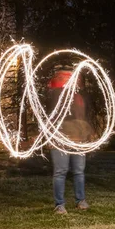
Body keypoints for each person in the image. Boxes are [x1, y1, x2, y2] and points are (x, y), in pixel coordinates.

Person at [47, 65, 94, 214]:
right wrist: (49, 136)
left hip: (78, 140)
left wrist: (88, 134)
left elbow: (82, 118)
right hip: (60, 140)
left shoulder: (78, 98)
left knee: (79, 171)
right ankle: (59, 205)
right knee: (61, 171)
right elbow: (49, 119)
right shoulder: (54, 98)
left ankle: (81, 201)